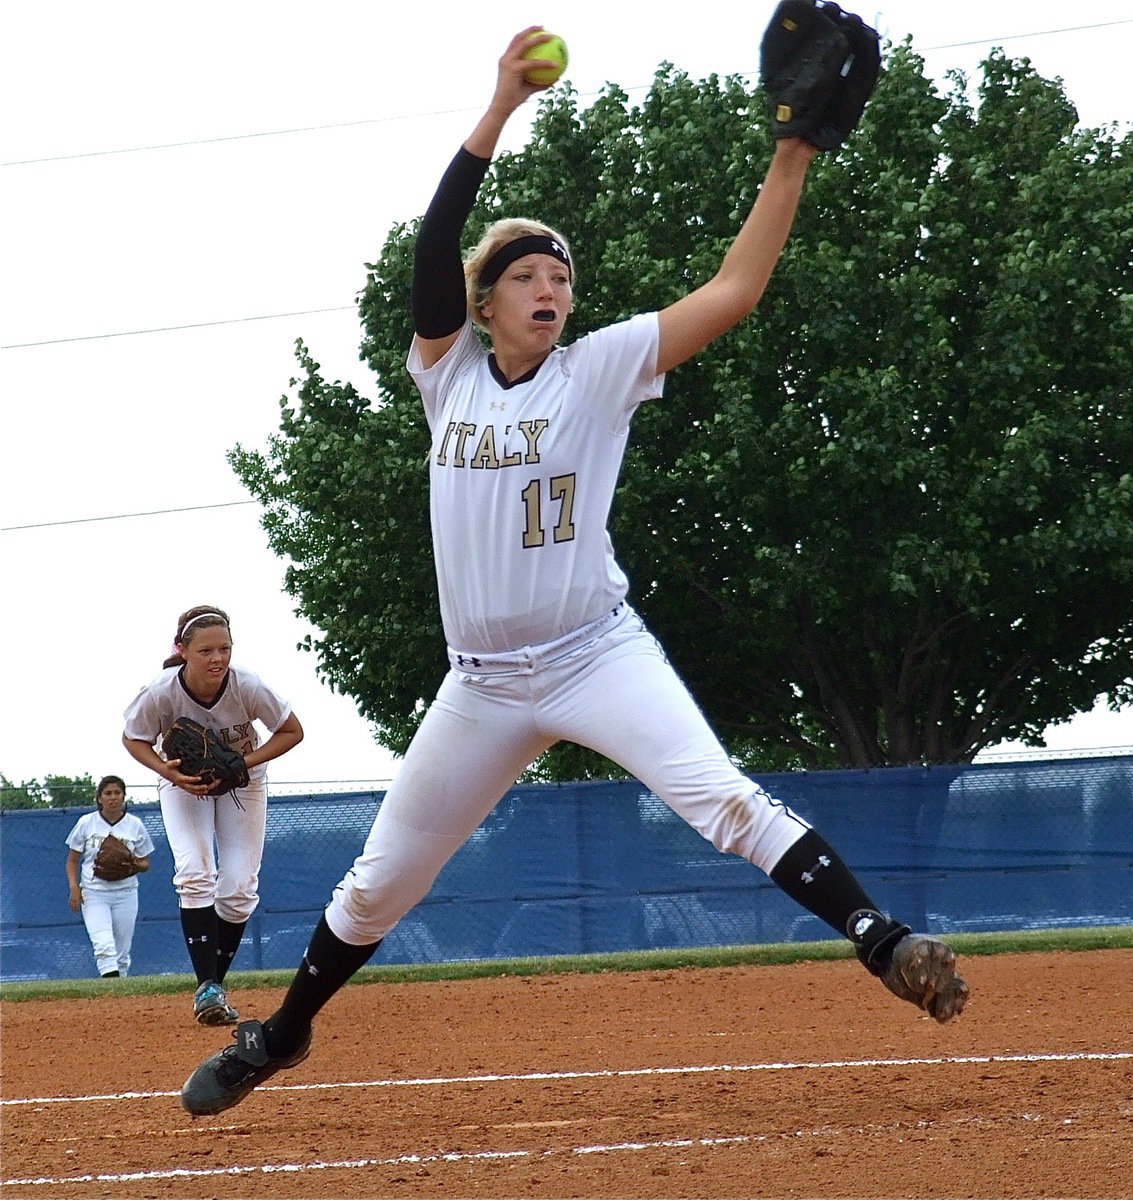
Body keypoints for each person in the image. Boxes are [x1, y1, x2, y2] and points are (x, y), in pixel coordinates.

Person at [181, 28, 968, 1116]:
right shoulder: (445, 374)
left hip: (595, 651)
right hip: (483, 682)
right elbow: (436, 240)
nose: (549, 288)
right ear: (484, 302)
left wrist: (790, 156)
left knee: (721, 800)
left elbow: (734, 290)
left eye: (561, 276)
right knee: (377, 885)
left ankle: (882, 942)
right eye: (526, 276)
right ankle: (284, 1035)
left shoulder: (598, 371)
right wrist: (500, 104)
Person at [122, 604, 303, 1026]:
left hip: (245, 781)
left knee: (239, 886)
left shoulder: (247, 685)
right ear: (183, 650)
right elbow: (133, 738)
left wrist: (245, 762)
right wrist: (165, 770)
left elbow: (293, 730)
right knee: (194, 870)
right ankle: (208, 987)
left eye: (224, 648)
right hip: (183, 782)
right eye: (206, 650)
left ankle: (212, 987)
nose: (217, 658)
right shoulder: (161, 691)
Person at [65, 775, 155, 978]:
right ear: (99, 798)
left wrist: (132, 864)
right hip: (94, 891)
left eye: (117, 793)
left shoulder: (135, 825)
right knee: (103, 945)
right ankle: (110, 991)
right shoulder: (86, 823)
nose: (113, 797)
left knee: (122, 952)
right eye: (107, 793)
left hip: (126, 892)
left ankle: (116, 1002)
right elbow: (72, 861)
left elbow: (146, 863)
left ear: (124, 797)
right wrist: (74, 888)